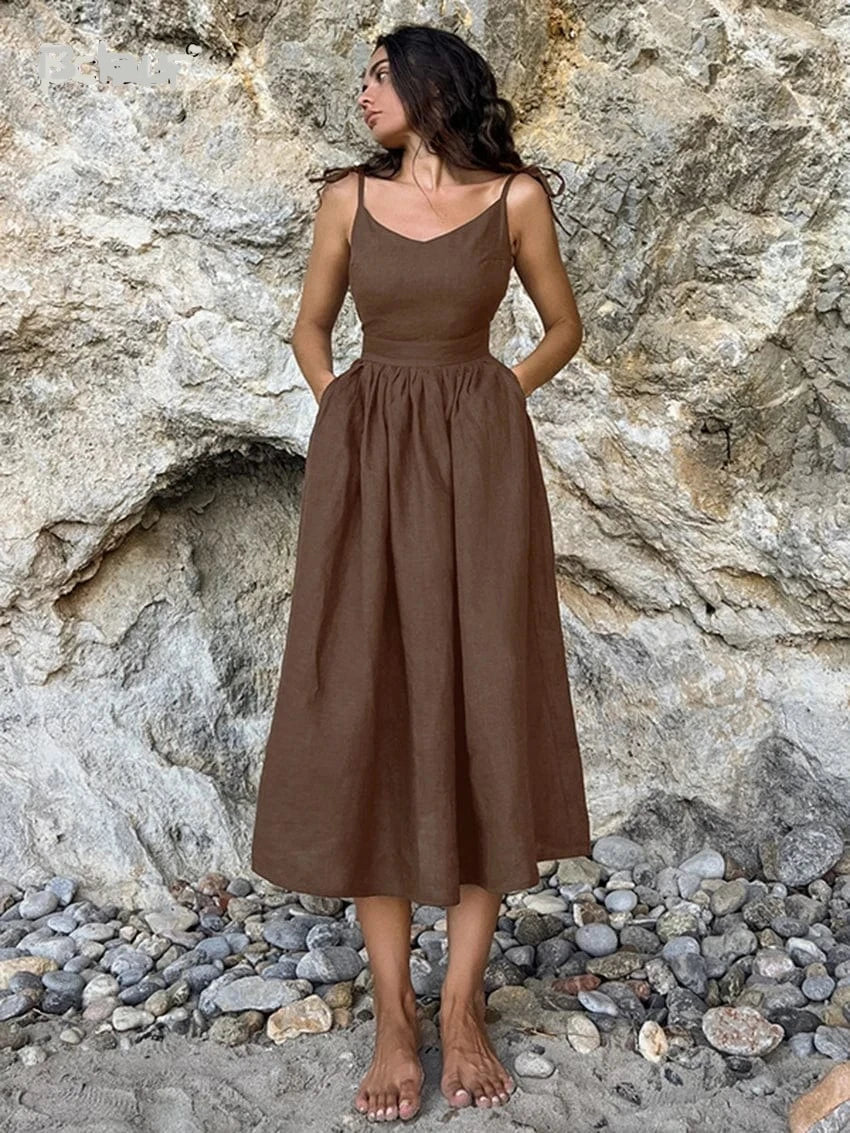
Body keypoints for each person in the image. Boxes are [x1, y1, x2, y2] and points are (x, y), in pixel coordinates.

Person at [251, 22, 592, 1123]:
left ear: (429, 86)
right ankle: (393, 1013)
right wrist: (343, 414)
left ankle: (459, 1005)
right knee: (373, 708)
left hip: (480, 475)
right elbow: (310, 328)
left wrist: (494, 398)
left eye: (377, 75)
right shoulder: (347, 199)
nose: (363, 93)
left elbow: (562, 326)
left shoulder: (516, 199)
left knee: (484, 702)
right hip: (369, 473)